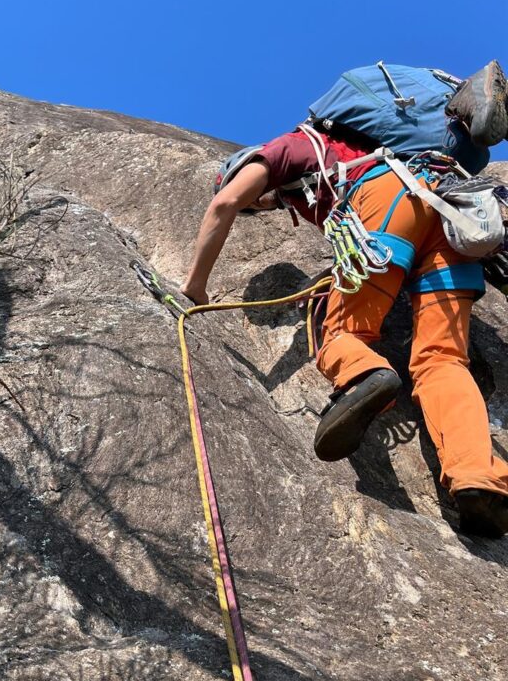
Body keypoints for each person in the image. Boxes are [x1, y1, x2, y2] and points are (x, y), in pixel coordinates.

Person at [181, 63, 508, 538]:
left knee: (342, 331)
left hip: (388, 200)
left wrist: (195, 288)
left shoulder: (289, 148)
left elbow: (224, 205)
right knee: (443, 358)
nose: (261, 206)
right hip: (451, 214)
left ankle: (363, 373)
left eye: (261, 201)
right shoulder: (346, 151)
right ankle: (476, 476)